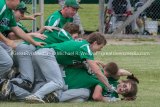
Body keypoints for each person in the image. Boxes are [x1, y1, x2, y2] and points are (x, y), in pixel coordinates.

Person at [24, 32, 116, 103]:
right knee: (58, 83)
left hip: (42, 53)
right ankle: (36, 96)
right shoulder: (86, 47)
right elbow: (97, 71)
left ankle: (25, 96)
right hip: (47, 55)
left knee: (42, 82)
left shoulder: (82, 44)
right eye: (100, 47)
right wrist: (108, 86)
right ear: (95, 43)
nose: (99, 50)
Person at [10, 22, 80, 91]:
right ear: (70, 32)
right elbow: (75, 47)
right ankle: (4, 82)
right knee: (27, 82)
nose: (75, 39)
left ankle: (14, 78)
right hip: (27, 49)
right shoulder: (64, 34)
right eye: (75, 37)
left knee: (30, 81)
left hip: (26, 50)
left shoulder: (57, 33)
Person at [0, 0, 44, 80]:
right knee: (7, 62)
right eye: (19, 1)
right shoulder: (1, 5)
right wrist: (7, 41)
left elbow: (17, 30)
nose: (19, 3)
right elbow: (11, 36)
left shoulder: (9, 11)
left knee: (9, 54)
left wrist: (34, 42)